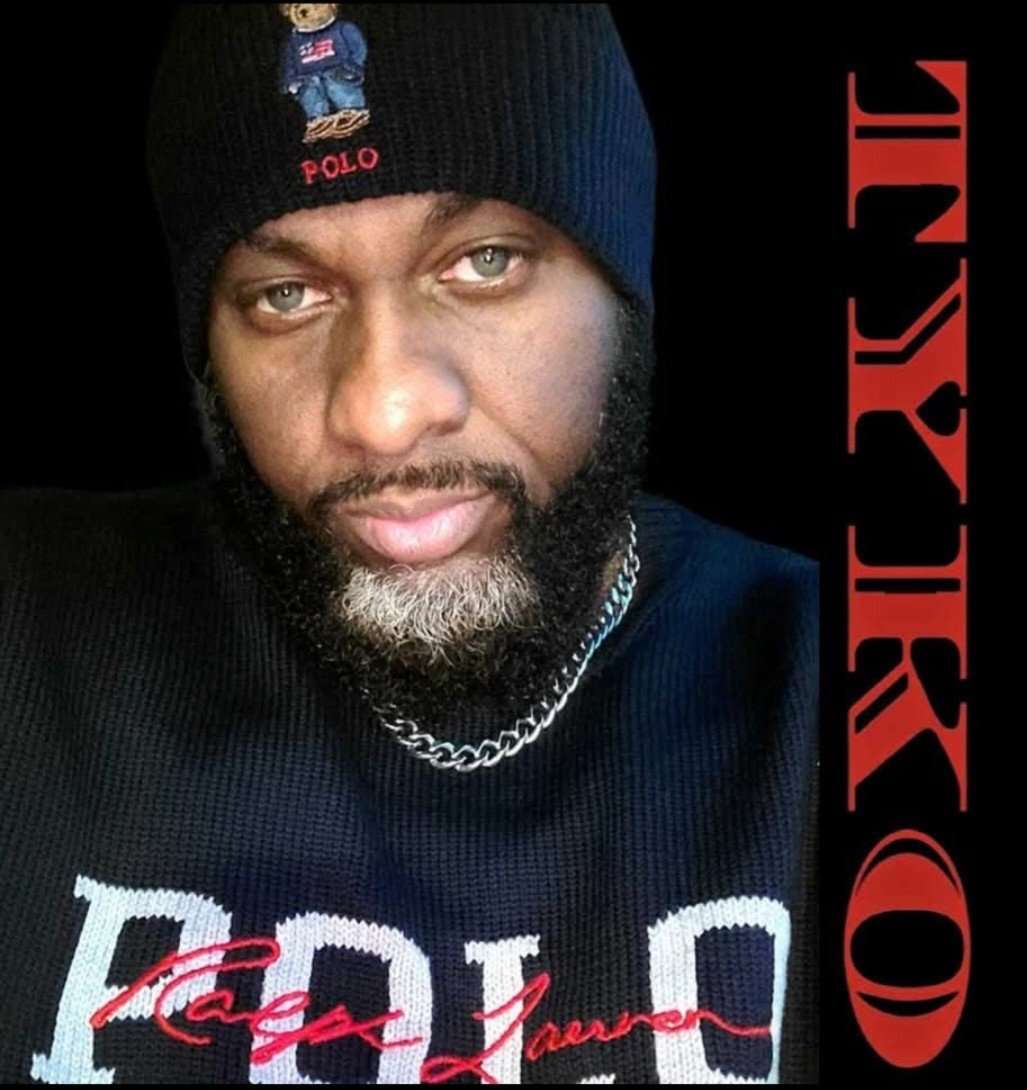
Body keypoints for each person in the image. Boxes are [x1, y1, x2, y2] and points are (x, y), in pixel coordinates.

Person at [0, 4, 817, 1084]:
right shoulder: (34, 631)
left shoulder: (851, 690)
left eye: (484, 262)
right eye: (285, 294)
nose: (383, 412)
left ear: (626, 295)